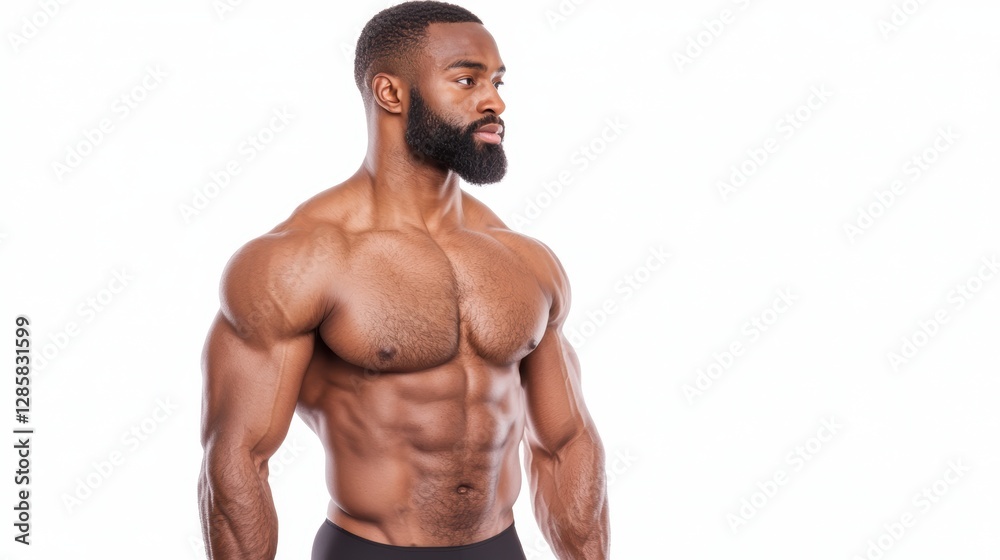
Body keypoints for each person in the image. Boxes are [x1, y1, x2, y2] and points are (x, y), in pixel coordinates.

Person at [197, 2, 610, 558]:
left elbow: (566, 443)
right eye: (467, 80)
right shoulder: (299, 260)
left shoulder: (524, 259)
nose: (495, 102)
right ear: (391, 94)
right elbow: (237, 460)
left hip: (499, 546)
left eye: (496, 81)